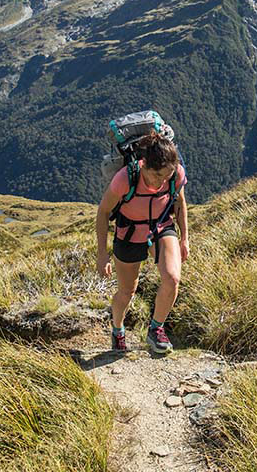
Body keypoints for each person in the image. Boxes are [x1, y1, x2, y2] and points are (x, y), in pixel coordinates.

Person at [95, 132, 189, 354]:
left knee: (172, 279)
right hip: (129, 232)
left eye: (167, 176)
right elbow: (103, 212)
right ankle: (118, 329)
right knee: (127, 291)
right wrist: (102, 254)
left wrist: (185, 237)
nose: (162, 181)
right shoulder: (125, 178)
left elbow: (180, 203)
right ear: (144, 164)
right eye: (157, 175)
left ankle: (156, 329)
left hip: (161, 226)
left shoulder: (175, 174)